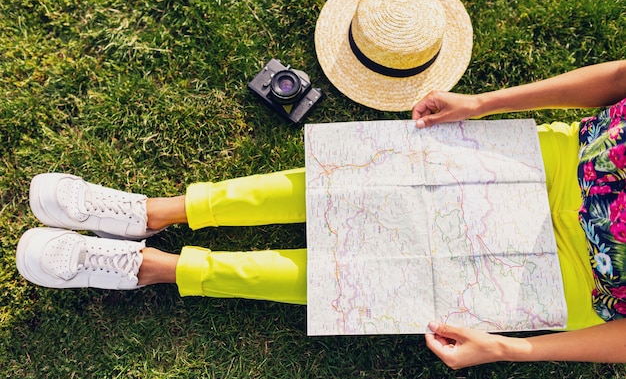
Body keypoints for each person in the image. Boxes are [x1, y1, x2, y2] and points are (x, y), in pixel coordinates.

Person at [15, 60, 626, 368]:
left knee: (364, 282)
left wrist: (512, 350)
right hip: (557, 156)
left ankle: (153, 266)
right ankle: (156, 210)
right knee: (357, 179)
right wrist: (484, 103)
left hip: (585, 274)